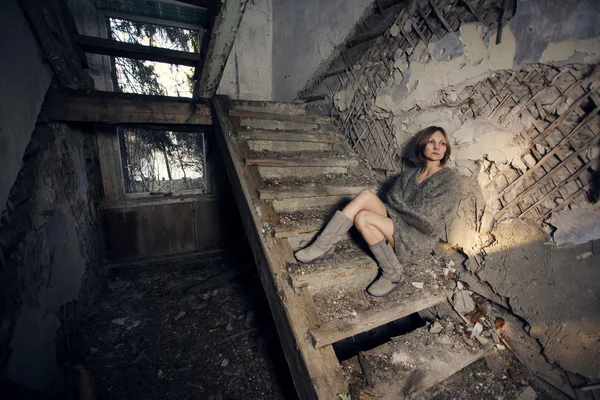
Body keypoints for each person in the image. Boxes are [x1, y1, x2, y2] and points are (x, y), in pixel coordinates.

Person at [294, 126, 461, 297]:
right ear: (423, 145)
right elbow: (393, 200)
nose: (436, 147)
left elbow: (429, 220)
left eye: (442, 143)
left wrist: (400, 209)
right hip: (399, 223)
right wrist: (401, 209)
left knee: (363, 218)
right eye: (431, 142)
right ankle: (323, 246)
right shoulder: (410, 175)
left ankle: (393, 274)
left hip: (417, 237)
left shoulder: (450, 179)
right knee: (366, 195)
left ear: (446, 148)